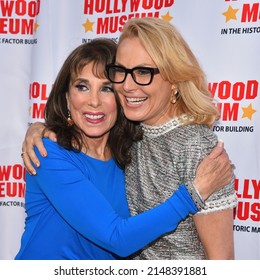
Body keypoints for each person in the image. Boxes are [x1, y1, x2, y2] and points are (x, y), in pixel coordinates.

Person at [21, 19, 236, 260]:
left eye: (106, 88)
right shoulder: (47, 152)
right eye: (82, 87)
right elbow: (117, 238)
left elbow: (222, 258)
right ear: (66, 97)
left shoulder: (137, 148)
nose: (94, 101)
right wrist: (192, 194)